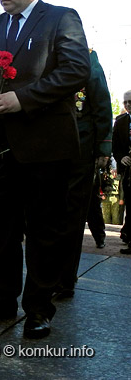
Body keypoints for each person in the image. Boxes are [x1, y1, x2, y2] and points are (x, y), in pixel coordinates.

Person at [0, 0, 90, 339]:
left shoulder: (61, 18)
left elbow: (74, 70)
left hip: (47, 145)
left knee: (43, 230)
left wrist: (24, 98)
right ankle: (1, 300)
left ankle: (38, 308)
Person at [57, 49, 111, 294]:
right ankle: (47, 273)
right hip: (49, 144)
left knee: (72, 212)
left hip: (81, 145)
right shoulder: (49, 53)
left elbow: (101, 102)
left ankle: (65, 278)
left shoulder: (88, 58)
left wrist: (103, 147)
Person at [113, 90, 131, 249]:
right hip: (128, 171)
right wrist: (121, 157)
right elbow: (116, 146)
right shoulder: (120, 121)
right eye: (125, 102)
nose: (127, 105)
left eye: (130, 102)